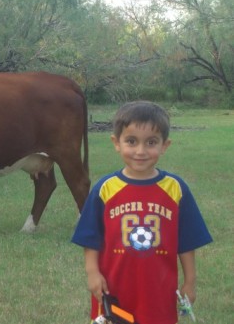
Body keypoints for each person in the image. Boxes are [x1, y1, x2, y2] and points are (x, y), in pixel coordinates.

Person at [72, 101, 212, 324]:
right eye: (131, 141)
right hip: (113, 287)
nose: (140, 151)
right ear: (116, 143)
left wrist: (190, 282)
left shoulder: (175, 189)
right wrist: (92, 273)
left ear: (165, 145)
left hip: (159, 289)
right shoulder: (105, 188)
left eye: (151, 142)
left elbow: (187, 242)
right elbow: (91, 238)